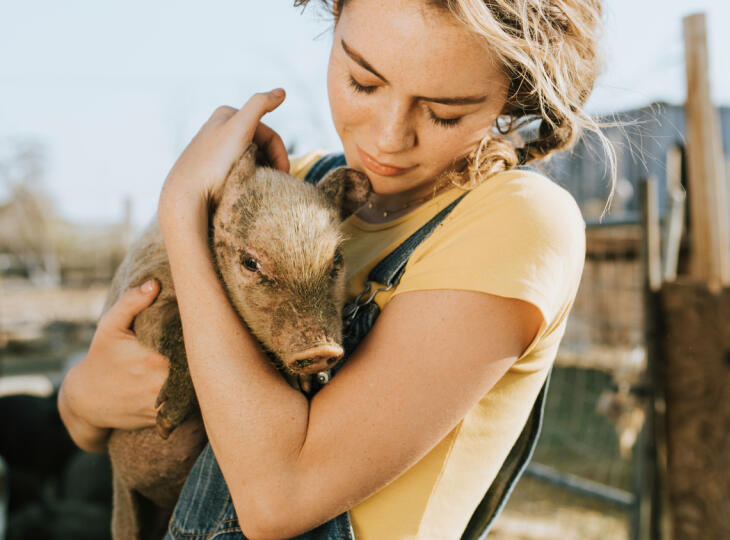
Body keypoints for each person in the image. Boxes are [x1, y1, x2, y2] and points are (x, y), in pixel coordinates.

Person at [57, 0, 609, 537]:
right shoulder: (294, 186)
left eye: (444, 112)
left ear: (514, 94)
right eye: (363, 82)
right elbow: (90, 422)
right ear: (333, 15)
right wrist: (81, 396)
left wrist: (182, 210)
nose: (389, 138)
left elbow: (277, 498)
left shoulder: (515, 223)